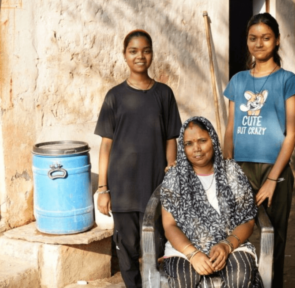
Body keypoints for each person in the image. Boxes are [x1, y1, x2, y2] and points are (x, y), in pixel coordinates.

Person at [94, 29, 182, 288]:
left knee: (155, 247)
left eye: (145, 50)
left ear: (152, 54)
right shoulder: (114, 97)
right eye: (133, 51)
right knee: (128, 250)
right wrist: (103, 189)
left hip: (154, 188)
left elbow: (170, 140)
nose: (140, 56)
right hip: (122, 190)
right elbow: (106, 146)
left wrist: (171, 173)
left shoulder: (163, 94)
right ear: (125, 55)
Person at [223, 13, 295, 288]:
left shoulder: (287, 80)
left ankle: (272, 283)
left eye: (266, 38)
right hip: (241, 169)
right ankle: (239, 281)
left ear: (277, 41)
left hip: (275, 169)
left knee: (274, 236)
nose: (259, 44)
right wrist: (226, 170)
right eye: (253, 38)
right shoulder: (237, 81)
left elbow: (291, 133)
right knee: (236, 232)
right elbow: (230, 129)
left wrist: (272, 180)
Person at [160, 116, 264, 288]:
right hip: (185, 249)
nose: (197, 149)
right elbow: (169, 225)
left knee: (240, 276)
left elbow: (248, 220)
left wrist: (226, 245)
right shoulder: (175, 177)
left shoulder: (231, 172)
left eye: (202, 140)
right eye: (189, 144)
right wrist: (192, 254)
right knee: (183, 280)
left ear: (213, 140)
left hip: (232, 245)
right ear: (183, 148)